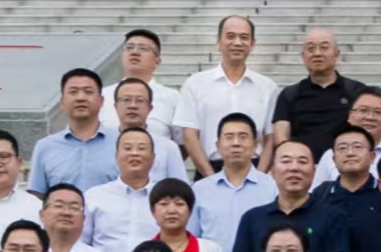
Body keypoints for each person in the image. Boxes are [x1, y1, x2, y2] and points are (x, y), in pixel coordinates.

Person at [233, 139, 344, 252]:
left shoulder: (333, 216)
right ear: (272, 171)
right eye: (286, 161)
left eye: (302, 162)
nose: (294, 168)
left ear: (314, 171)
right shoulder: (252, 218)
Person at [178, 15, 279, 174]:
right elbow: (190, 135)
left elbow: (270, 138)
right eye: (230, 36)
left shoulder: (267, 87)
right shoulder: (195, 84)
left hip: (255, 167)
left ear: (252, 44)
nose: (237, 43)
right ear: (219, 41)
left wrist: (259, 177)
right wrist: (210, 177)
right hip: (210, 167)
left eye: (244, 37)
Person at [269, 29, 366, 165]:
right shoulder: (289, 94)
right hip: (303, 167)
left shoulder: (357, 91)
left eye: (324, 48)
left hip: (345, 166)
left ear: (336, 54)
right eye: (311, 49)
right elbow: (281, 137)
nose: (317, 53)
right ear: (303, 56)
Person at [193, 115, 279, 249]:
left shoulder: (272, 187)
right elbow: (192, 237)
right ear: (218, 146)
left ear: (255, 145)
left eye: (243, 137)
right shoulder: (200, 190)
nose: (236, 143)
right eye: (229, 137)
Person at [82, 128, 164, 252]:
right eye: (128, 148)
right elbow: (82, 244)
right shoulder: (94, 197)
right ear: (116, 156)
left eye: (141, 148)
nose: (134, 153)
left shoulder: (165, 198)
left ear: (153, 158)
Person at [33, 68, 120, 192]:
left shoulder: (121, 143)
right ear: (62, 102)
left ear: (101, 101)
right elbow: (37, 195)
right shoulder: (45, 147)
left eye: (88, 92)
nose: (81, 98)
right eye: (73, 92)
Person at [99, 29, 188, 146]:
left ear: (157, 61)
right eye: (129, 48)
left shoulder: (173, 98)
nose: (135, 52)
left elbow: (183, 143)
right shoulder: (102, 95)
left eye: (143, 49)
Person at [109, 79, 189, 182]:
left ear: (150, 108)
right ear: (115, 106)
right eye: (126, 100)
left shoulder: (168, 147)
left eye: (140, 100)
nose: (133, 106)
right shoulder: (103, 143)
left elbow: (180, 185)